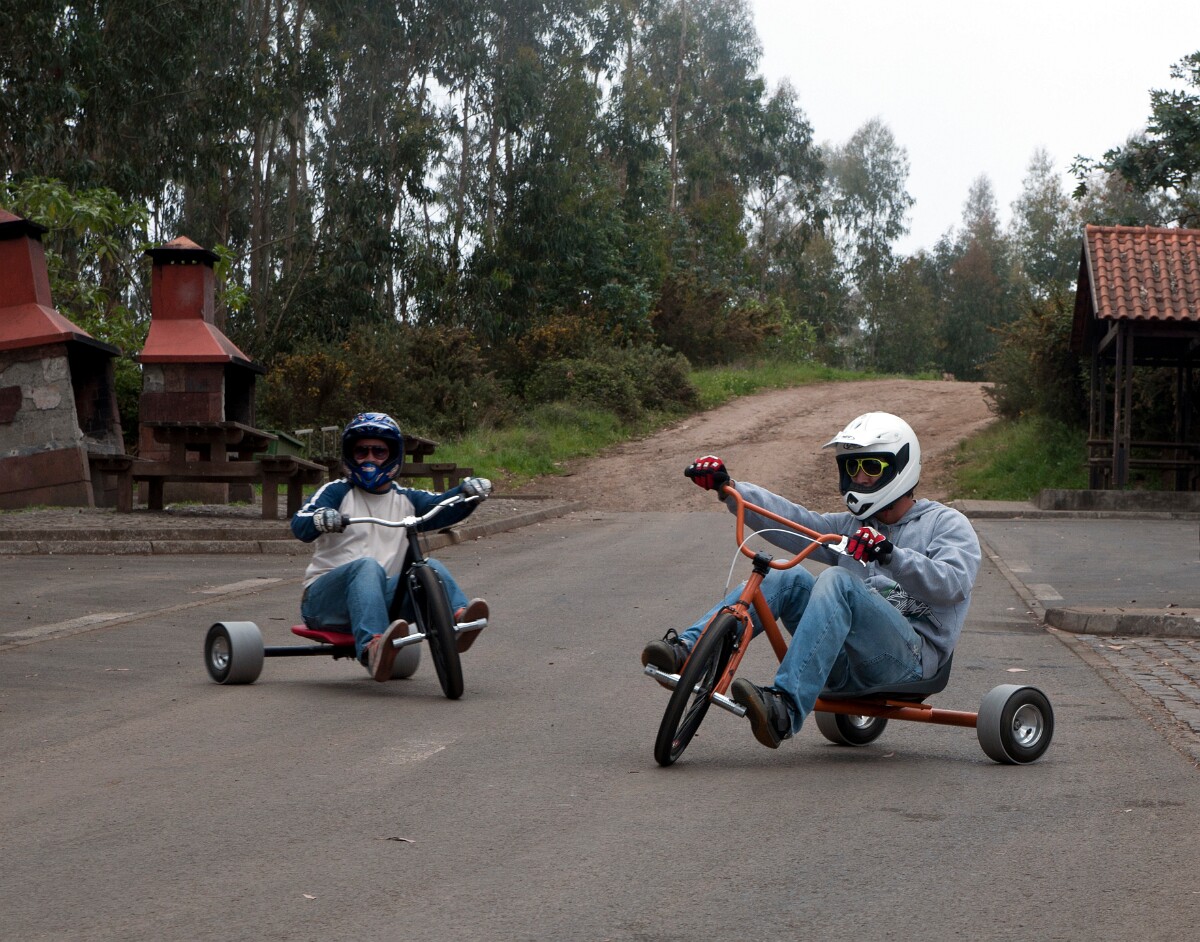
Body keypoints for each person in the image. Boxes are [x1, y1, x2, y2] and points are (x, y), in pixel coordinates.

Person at [641, 412, 981, 749]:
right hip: (845, 661)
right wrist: (729, 488)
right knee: (785, 575)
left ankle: (784, 709)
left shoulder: (946, 524)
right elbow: (794, 522)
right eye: (852, 468)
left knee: (837, 580)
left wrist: (891, 555)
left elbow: (954, 583)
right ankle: (689, 651)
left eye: (871, 467)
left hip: (909, 664)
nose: (860, 478)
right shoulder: (851, 527)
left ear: (899, 467)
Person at [291, 412, 492, 681]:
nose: (370, 459)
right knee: (367, 567)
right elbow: (300, 523)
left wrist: (468, 493)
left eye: (379, 451)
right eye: (361, 451)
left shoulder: (407, 499)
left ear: (393, 455)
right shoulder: (336, 492)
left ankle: (456, 622)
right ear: (350, 455)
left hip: (381, 603)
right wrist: (320, 518)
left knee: (428, 567)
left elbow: (443, 505)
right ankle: (372, 649)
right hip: (323, 604)